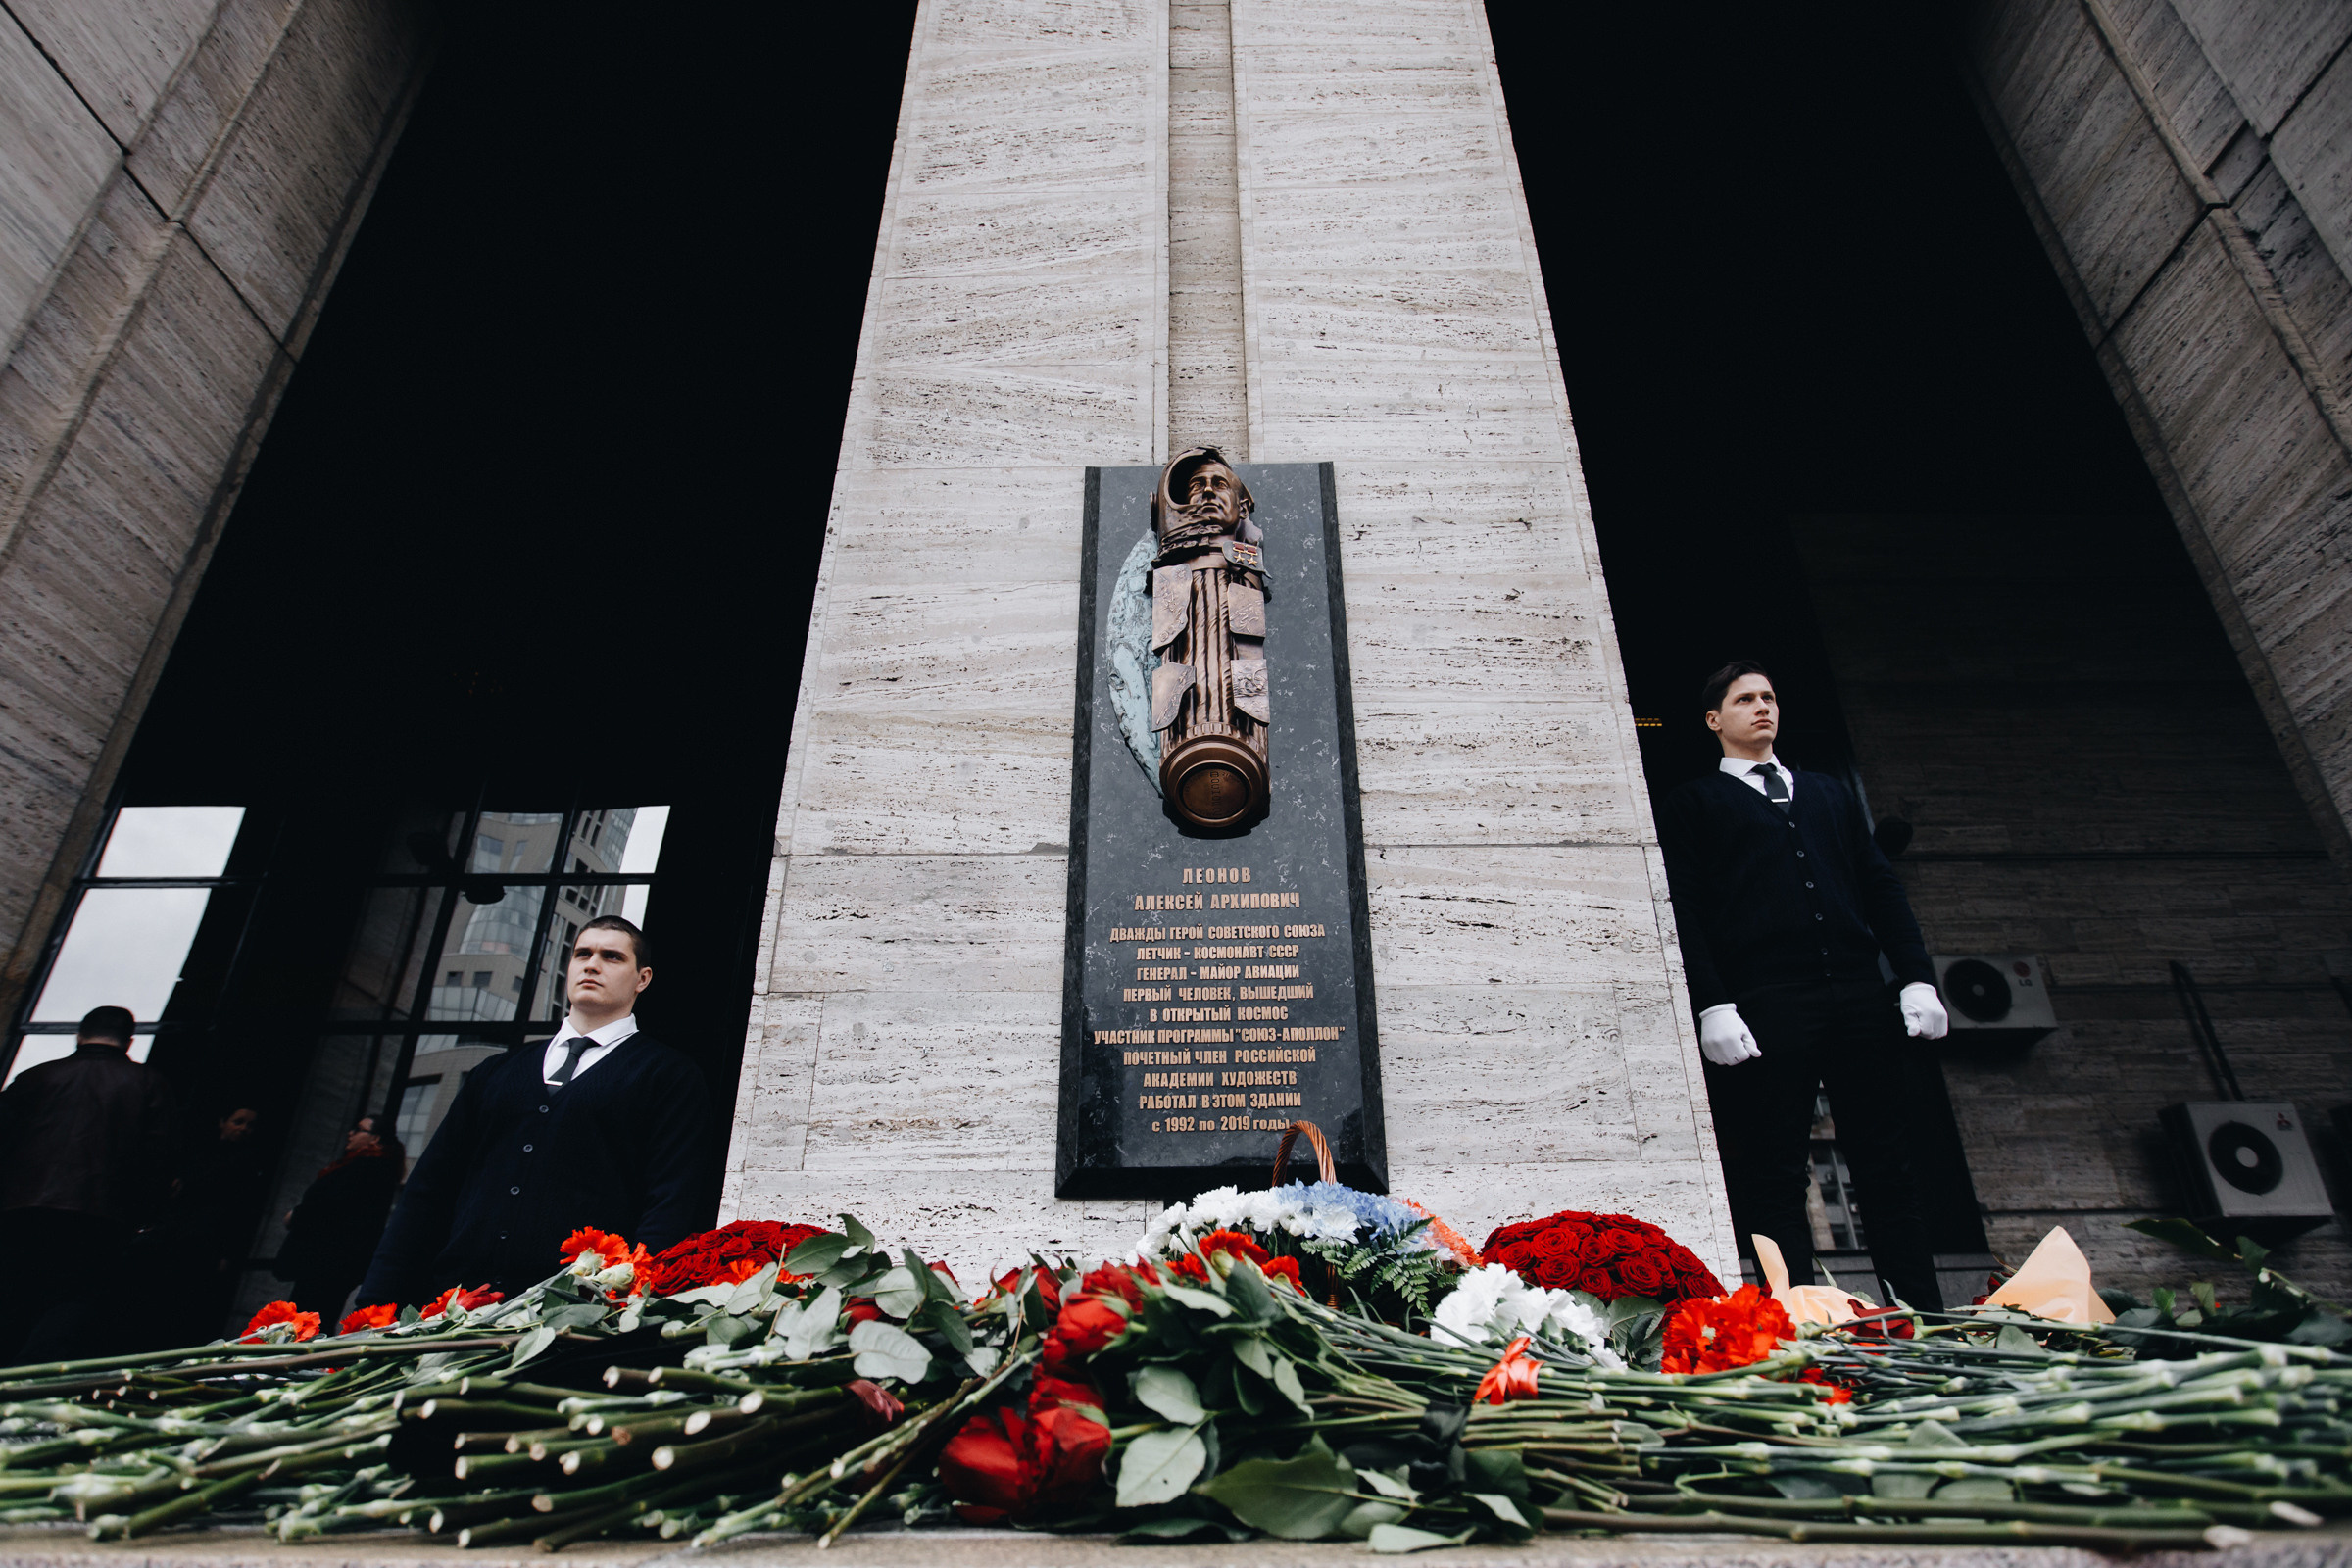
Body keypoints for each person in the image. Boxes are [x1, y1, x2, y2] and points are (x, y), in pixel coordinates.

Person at [1657, 661, 1952, 1311]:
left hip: (1858, 996)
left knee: (1888, 1167)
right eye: (1744, 699)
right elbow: (1687, 910)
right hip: (1767, 1001)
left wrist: (1915, 978)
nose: (1762, 707)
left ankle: (1919, 1317)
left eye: (1768, 696)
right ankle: (1791, 1320)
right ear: (1714, 720)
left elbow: (1880, 888)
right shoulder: (1695, 803)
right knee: (1776, 1171)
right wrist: (1712, 1003)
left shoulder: (1828, 793)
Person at [357, 915, 711, 1308]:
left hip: (581, 1310)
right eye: (582, 954)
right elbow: (429, 1192)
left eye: (611, 957)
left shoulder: (668, 1075)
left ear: (642, 979)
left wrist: (634, 1300)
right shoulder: (496, 1072)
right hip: (457, 1304)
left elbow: (670, 1201)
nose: (592, 965)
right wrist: (377, 1302)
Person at [0, 1006, 178, 1360]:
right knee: (71, 1301)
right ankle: (30, 1379)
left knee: (12, 1292)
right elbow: (159, 1158)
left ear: (79, 1035)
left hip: (20, 1208)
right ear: (128, 1041)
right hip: (99, 1214)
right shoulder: (149, 1084)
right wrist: (146, 1215)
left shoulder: (37, 1077)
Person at [274, 1114, 405, 1321]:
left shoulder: (367, 1168)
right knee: (311, 1318)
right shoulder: (366, 1166)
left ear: (376, 1138)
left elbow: (330, 1207)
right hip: (331, 1263)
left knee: (309, 1319)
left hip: (328, 1263)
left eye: (359, 1129)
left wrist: (297, 1215)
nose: (350, 1133)